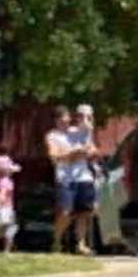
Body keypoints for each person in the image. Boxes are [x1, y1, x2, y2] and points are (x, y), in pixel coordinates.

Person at [46, 106, 98, 255]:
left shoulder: (77, 132)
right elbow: (54, 156)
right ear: (57, 120)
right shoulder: (52, 136)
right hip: (65, 178)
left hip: (84, 177)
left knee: (84, 212)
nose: (68, 120)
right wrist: (73, 154)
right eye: (64, 117)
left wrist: (91, 151)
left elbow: (92, 147)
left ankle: (81, 245)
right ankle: (56, 240)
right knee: (66, 212)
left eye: (69, 117)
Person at [0, 155, 21, 254]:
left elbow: (1, 196)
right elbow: (2, 197)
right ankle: (6, 250)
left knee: (6, 232)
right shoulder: (3, 181)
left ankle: (6, 250)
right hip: (5, 209)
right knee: (7, 232)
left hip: (4, 208)